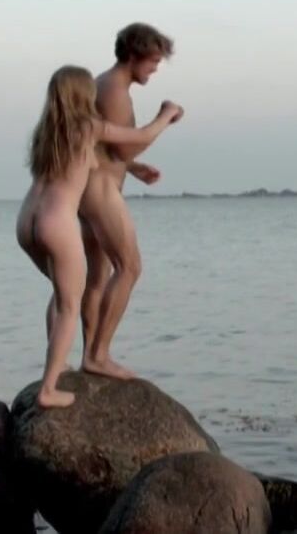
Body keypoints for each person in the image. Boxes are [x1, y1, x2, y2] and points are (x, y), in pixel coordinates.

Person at [16, 65, 182, 408]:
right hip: (57, 222)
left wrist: (133, 169)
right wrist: (166, 115)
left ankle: (59, 366)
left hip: (27, 221)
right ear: (83, 95)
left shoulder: (47, 133)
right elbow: (141, 136)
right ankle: (49, 389)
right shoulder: (90, 126)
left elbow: (93, 160)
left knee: (62, 293)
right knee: (70, 304)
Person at [78, 23, 179, 381]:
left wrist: (133, 168)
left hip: (93, 186)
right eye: (153, 61)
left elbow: (104, 146)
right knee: (130, 267)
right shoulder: (114, 89)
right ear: (134, 55)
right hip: (100, 190)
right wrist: (164, 118)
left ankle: (90, 356)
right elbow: (123, 147)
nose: (155, 68)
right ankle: (98, 355)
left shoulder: (105, 85)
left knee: (98, 276)